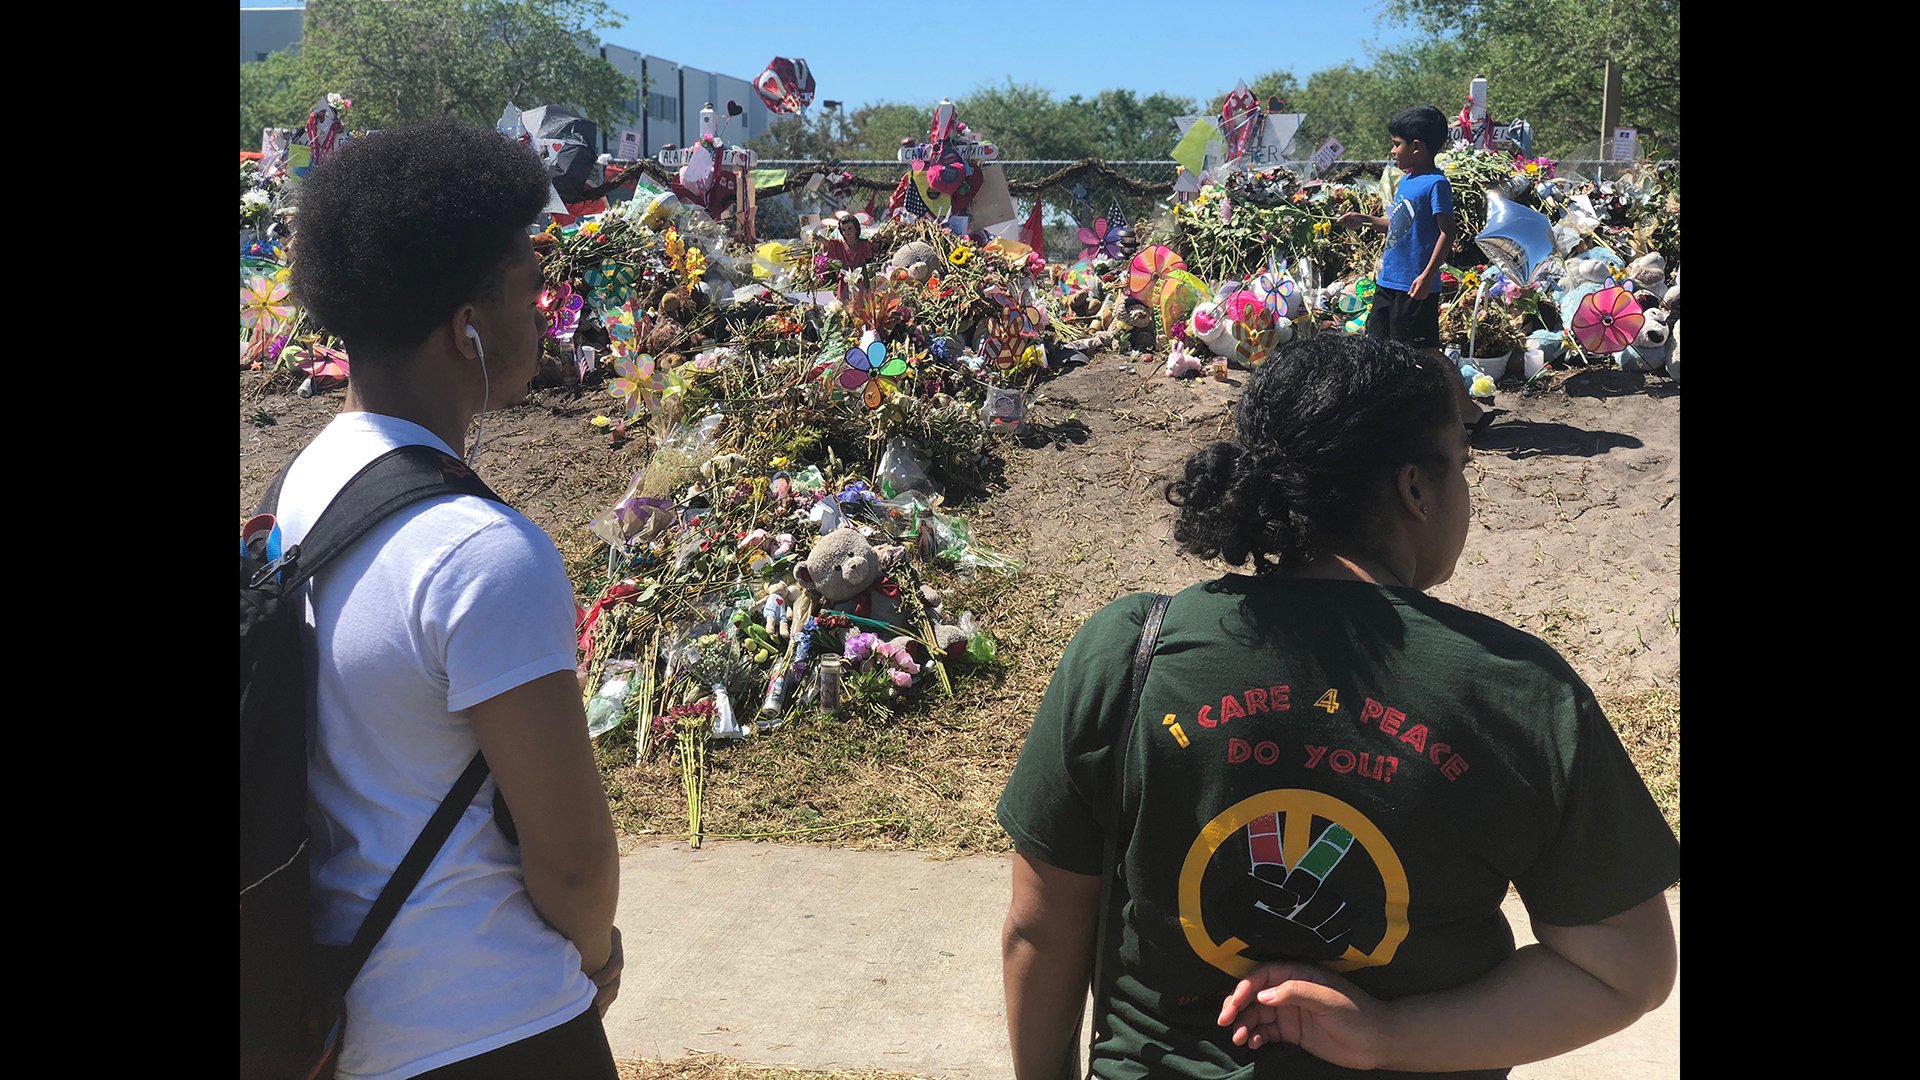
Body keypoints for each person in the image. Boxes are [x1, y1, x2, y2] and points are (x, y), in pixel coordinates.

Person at [997, 334, 1677, 1079]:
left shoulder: (1127, 652)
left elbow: (1040, 930)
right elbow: (1625, 971)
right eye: (1464, 468)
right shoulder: (1517, 689)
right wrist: (1388, 1037)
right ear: (1416, 489)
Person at [278, 119, 623, 1080]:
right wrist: (598, 958)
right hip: (493, 1027)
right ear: (466, 327)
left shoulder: (299, 490)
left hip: (340, 1024)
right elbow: (572, 863)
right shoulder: (480, 555)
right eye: (530, 288)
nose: (545, 313)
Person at [1337, 105, 1488, 436]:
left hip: (1414, 285)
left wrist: (1428, 275)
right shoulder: (1406, 182)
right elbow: (1398, 224)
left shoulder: (1436, 184)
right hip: (1389, 280)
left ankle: (1470, 412)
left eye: (1396, 144)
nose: (1392, 150)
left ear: (1416, 147)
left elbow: (1448, 231)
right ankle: (1385, 415)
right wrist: (1365, 220)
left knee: (1425, 352)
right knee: (1377, 346)